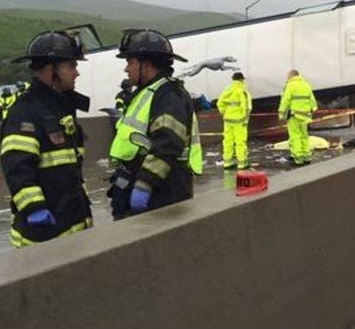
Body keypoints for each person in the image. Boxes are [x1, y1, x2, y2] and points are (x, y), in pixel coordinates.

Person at [0, 31, 92, 248]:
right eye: (71, 66)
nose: (76, 73)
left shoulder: (59, 108)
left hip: (71, 228)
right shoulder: (26, 111)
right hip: (42, 236)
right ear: (51, 70)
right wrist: (33, 208)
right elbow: (16, 166)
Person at [108, 29, 203, 220]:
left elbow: (167, 143)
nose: (127, 69)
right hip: (140, 183)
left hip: (162, 191)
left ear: (147, 65)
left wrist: (145, 184)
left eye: (130, 62)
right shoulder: (148, 92)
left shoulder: (169, 95)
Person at [278, 69, 318, 166]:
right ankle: (306, 157)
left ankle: (298, 158)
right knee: (304, 135)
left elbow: (285, 101)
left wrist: (281, 114)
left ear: (291, 76)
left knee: (295, 136)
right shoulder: (306, 85)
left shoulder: (290, 85)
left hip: (294, 116)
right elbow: (312, 100)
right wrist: (313, 109)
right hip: (305, 116)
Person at [217, 71, 252, 170]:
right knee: (240, 141)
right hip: (239, 120)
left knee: (227, 141)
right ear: (241, 80)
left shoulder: (227, 89)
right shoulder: (242, 90)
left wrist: (224, 113)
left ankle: (227, 162)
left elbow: (220, 103)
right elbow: (247, 107)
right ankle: (242, 163)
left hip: (228, 120)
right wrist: (246, 119)